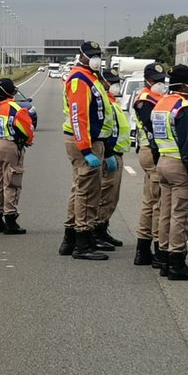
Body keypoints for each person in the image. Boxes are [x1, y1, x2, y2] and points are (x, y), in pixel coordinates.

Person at [59, 41, 116, 260]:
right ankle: (82, 242)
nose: (96, 58)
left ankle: (72, 239)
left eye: (98, 55)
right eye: (92, 55)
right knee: (86, 191)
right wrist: (85, 149)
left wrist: (107, 150)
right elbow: (78, 115)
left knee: (84, 189)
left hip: (94, 141)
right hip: (85, 142)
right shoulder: (79, 80)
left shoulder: (91, 78)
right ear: (81, 56)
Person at [151, 64, 188, 281]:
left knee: (165, 213)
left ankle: (164, 258)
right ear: (186, 85)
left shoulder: (160, 106)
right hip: (180, 166)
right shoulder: (185, 108)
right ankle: (177, 262)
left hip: (164, 162)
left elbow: (155, 139)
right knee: (182, 215)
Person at [0, 77, 35, 234]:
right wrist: (26, 141)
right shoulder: (15, 108)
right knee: (12, 183)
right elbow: (28, 130)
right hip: (9, 146)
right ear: (11, 92)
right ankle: (11, 221)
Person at [132, 63, 167, 267]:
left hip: (152, 151)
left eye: (162, 80)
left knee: (150, 201)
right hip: (151, 151)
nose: (159, 84)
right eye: (155, 80)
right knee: (156, 203)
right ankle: (156, 249)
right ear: (147, 80)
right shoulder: (145, 100)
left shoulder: (157, 98)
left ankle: (143, 251)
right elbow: (152, 128)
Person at [97, 68, 131, 247]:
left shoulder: (111, 102)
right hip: (109, 153)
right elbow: (104, 131)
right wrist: (108, 153)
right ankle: (97, 231)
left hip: (116, 152)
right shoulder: (103, 103)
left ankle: (103, 228)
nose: (114, 85)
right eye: (110, 82)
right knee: (104, 195)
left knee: (111, 196)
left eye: (116, 81)